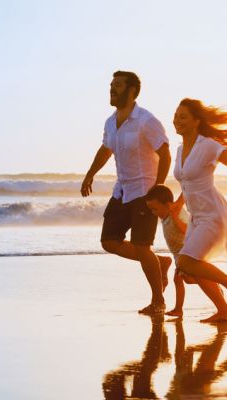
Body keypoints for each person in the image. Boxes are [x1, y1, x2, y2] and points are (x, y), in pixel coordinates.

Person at [81, 70, 171, 315]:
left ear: (132, 91)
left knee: (141, 246)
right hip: (122, 190)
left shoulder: (146, 120)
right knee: (109, 241)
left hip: (145, 191)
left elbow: (164, 153)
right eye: (111, 85)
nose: (112, 89)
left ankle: (158, 301)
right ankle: (159, 262)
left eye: (118, 86)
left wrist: (158, 188)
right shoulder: (111, 122)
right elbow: (105, 149)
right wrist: (90, 174)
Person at [173, 98, 227, 322]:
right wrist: (177, 205)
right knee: (189, 269)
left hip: (212, 215)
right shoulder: (179, 149)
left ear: (196, 121)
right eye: (176, 116)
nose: (177, 120)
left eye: (183, 117)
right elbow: (186, 182)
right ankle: (224, 311)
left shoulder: (207, 145)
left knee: (186, 261)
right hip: (196, 217)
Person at [146, 184, 227, 321]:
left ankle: (183, 307)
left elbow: (187, 229)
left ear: (167, 205)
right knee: (184, 280)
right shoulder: (164, 217)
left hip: (190, 252)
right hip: (179, 255)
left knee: (188, 278)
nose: (153, 212)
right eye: (151, 209)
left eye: (155, 208)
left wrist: (176, 218)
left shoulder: (177, 213)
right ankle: (181, 308)